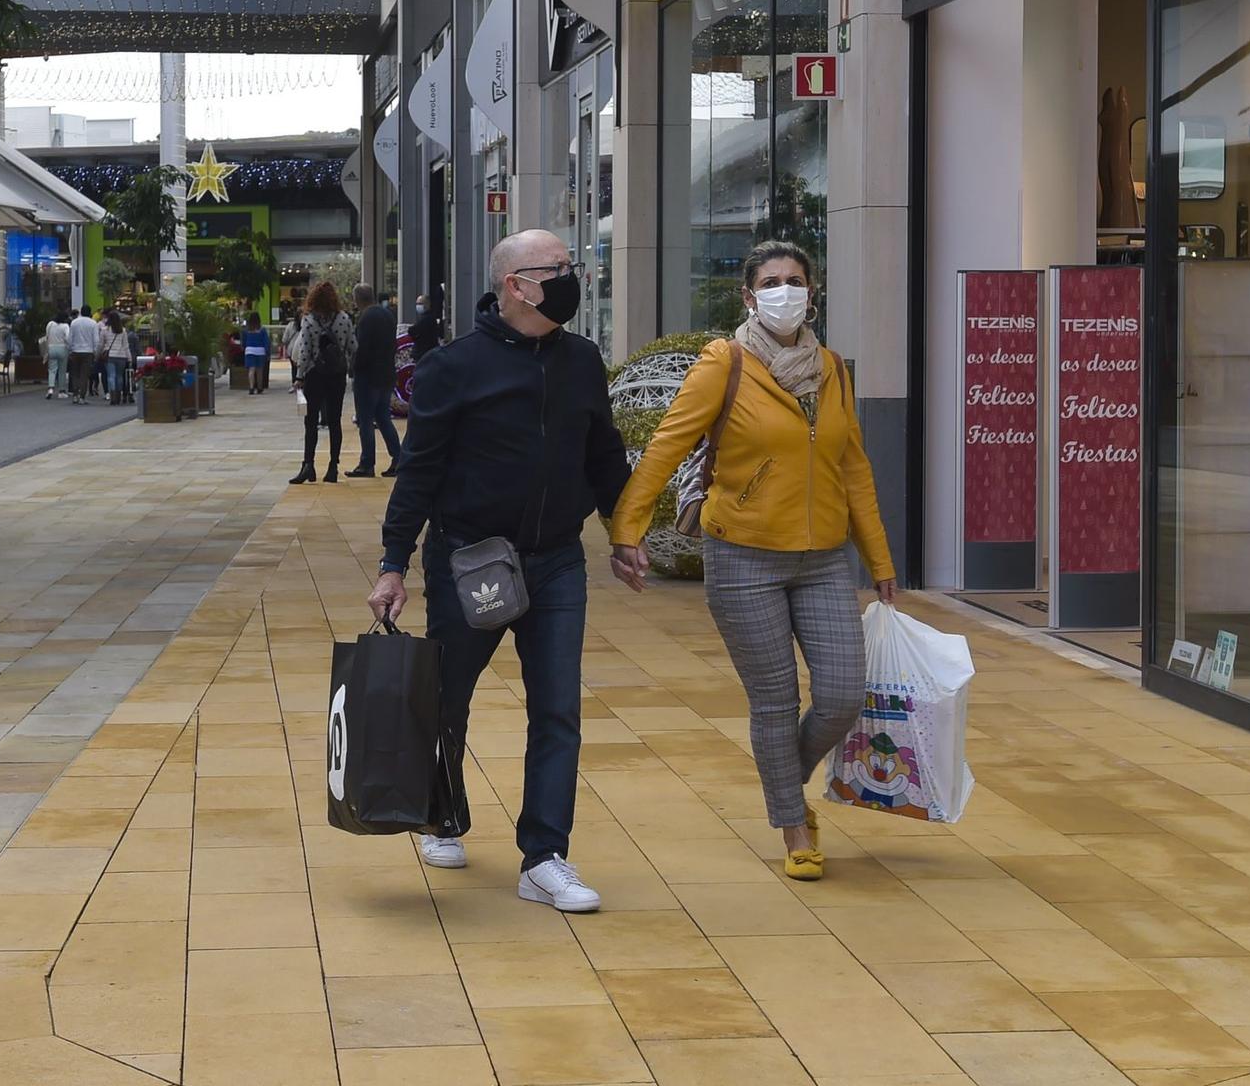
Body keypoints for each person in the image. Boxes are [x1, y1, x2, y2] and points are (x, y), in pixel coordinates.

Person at [610, 241, 897, 882]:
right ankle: (794, 825)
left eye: (796, 280)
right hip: (742, 558)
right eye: (772, 281)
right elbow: (664, 447)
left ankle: (782, 782)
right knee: (774, 700)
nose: (785, 291)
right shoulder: (724, 363)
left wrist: (879, 558)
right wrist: (627, 529)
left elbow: (854, 469)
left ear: (812, 292)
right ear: (749, 295)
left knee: (843, 695)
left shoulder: (830, 369)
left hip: (824, 559)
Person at [367, 230, 628, 914]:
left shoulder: (581, 360)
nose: (573, 278)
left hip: (558, 561)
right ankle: (442, 814)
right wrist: (394, 562)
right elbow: (418, 470)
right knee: (448, 698)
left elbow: (604, 455)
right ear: (517, 284)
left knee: (557, 707)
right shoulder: (455, 366)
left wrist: (625, 531)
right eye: (559, 269)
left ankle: (544, 855)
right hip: (471, 560)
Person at [288, 281, 354, 484]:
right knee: (335, 421)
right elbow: (353, 346)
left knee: (311, 422)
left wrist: (299, 377)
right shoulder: (344, 319)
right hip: (336, 375)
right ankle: (333, 467)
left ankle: (308, 465)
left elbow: (305, 351)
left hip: (314, 375)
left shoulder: (309, 320)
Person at [347, 284, 402, 478]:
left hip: (368, 376)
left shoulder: (366, 317)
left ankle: (367, 463)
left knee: (365, 420)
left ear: (357, 299)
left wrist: (353, 368)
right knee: (383, 418)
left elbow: (362, 349)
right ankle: (398, 458)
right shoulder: (387, 315)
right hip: (386, 373)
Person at [67, 304, 99, 404]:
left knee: (75, 374)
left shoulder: (74, 323)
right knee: (84, 375)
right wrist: (95, 351)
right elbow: (96, 340)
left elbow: (70, 338)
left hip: (76, 351)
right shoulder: (93, 323)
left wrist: (70, 350)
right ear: (90, 312)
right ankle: (82, 397)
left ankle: (75, 394)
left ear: (81, 311)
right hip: (88, 352)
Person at [105, 312, 133, 404]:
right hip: (122, 356)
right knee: (119, 376)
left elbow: (101, 344)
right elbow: (126, 346)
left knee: (111, 376)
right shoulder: (123, 331)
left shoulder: (105, 330)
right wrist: (129, 358)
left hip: (110, 356)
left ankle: (112, 396)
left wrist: (97, 354)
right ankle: (118, 396)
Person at [241, 312, 271, 395]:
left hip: (249, 350)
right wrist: (267, 351)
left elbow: (243, 341)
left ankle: (251, 387)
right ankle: (259, 388)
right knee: (259, 371)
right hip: (260, 351)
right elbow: (266, 342)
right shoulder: (262, 329)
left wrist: (244, 347)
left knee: (251, 370)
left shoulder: (246, 330)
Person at [44, 309, 70, 399]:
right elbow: (67, 338)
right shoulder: (65, 326)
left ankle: (50, 389)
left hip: (51, 348)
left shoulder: (50, 324)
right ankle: (61, 391)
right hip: (62, 348)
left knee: (52, 370)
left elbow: (47, 336)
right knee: (62, 371)